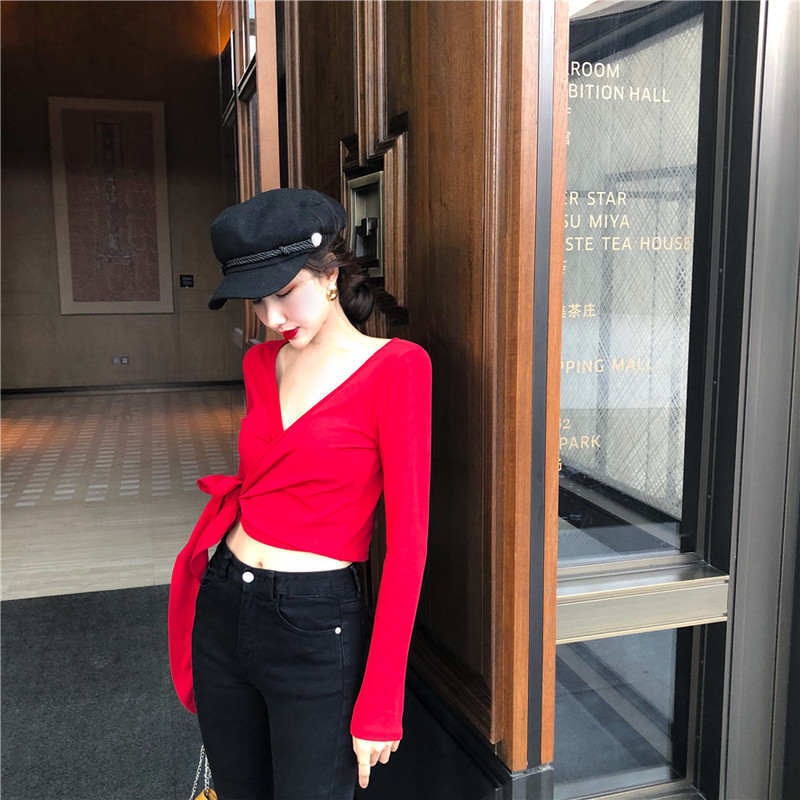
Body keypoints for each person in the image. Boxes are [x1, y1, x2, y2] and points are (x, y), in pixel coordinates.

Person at [168, 188, 432, 800]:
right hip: (224, 601)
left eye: (284, 292)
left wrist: (382, 700)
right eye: (257, 301)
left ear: (331, 273)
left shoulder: (398, 368)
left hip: (314, 621)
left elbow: (408, 545)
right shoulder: (262, 364)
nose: (272, 317)